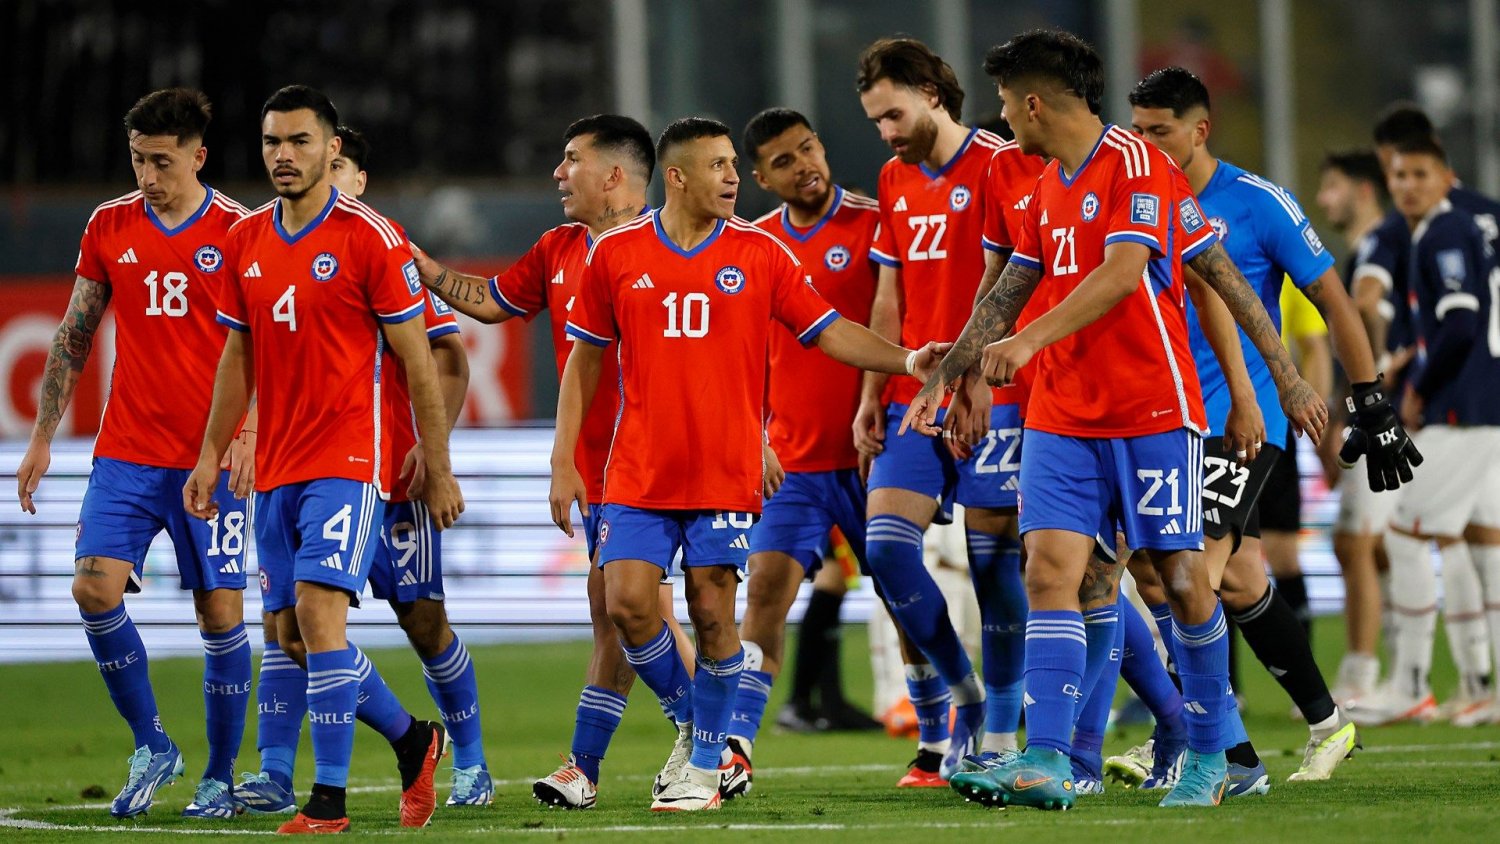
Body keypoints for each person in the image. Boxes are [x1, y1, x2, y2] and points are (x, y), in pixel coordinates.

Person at [906, 29, 1328, 810]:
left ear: (1034, 102)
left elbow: (1128, 272)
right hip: (1064, 417)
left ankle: (1214, 755)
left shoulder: (1135, 164)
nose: (1004, 118)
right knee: (1050, 572)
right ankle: (1048, 757)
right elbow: (1008, 289)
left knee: (1182, 580)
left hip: (1152, 412)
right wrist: (950, 369)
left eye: (1006, 103)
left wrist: (1274, 380)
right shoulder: (1043, 184)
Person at [549, 117, 948, 811]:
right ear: (677, 177)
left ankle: (705, 766)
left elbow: (830, 331)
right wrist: (563, 459)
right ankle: (692, 722)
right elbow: (584, 362)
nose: (733, 177)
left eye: (735, 164)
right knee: (627, 605)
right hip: (638, 470)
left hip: (726, 471)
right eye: (718, 166)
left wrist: (908, 359)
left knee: (713, 616)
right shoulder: (614, 253)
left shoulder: (760, 252)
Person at [1123, 66, 1413, 787]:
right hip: (1163, 419)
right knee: (1238, 578)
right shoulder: (1135, 200)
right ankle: (1325, 723)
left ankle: (1202, 746)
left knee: (1190, 575)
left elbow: (1334, 299)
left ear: (1200, 130)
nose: (1146, 145)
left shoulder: (1257, 202)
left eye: (1160, 132)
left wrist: (1369, 400)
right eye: (1137, 131)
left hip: (1241, 422)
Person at [184, 85, 462, 833]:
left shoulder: (371, 238)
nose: (284, 155)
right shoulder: (245, 239)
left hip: (347, 458)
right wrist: (211, 453)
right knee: (288, 636)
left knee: (316, 614)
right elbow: (238, 355)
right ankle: (413, 740)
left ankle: (328, 802)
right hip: (274, 466)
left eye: (300, 141)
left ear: (332, 148)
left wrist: (437, 465)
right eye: (272, 141)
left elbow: (420, 360)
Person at [410, 114, 700, 810]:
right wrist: (424, 269)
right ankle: (671, 748)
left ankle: (695, 742)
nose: (558, 173)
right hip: (598, 468)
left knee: (643, 610)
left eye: (572, 159)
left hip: (663, 463)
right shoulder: (558, 248)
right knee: (621, 615)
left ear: (615, 174)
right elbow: (490, 303)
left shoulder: (673, 244)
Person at [14, 87, 252, 821]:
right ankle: (152, 744)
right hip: (127, 450)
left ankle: (218, 777)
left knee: (220, 612)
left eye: (161, 162)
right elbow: (74, 332)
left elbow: (270, 345)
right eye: (138, 160)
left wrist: (247, 433)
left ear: (197, 156)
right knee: (93, 589)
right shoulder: (108, 224)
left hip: (212, 455)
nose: (148, 176)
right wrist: (43, 435)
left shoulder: (240, 230)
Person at [235, 125, 487, 813]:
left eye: (338, 163)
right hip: (304, 469)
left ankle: (469, 760)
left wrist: (434, 450)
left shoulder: (381, 248)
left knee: (423, 623)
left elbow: (448, 359)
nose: (324, 172)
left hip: (392, 476)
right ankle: (281, 773)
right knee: (290, 628)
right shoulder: (274, 247)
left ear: (357, 178)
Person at [853, 37, 1041, 783]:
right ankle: (966, 697)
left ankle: (999, 729)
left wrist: (978, 379)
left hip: (994, 394)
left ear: (931, 93)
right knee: (885, 549)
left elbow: (1015, 282)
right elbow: (890, 292)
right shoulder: (893, 178)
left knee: (995, 569)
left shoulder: (999, 162)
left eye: (894, 114)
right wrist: (872, 394)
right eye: (875, 121)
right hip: (916, 394)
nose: (887, 133)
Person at [724, 107, 888, 788]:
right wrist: (754, 435)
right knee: (764, 590)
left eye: (808, 148)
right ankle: (735, 745)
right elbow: (745, 355)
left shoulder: (876, 223)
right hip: (791, 462)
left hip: (873, 454)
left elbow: (900, 319)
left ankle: (946, 737)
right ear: (762, 178)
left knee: (904, 596)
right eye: (784, 161)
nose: (805, 166)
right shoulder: (756, 245)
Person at [1350, 137, 1500, 728]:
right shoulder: (1459, 231)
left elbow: (1460, 324)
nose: (1408, 185)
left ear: (1445, 177)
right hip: (1485, 405)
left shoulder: (1444, 232)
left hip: (1462, 412)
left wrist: (1417, 388)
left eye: (1420, 174)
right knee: (1482, 542)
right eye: (1400, 175)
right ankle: (1482, 685)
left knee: (1406, 533)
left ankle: (1410, 684)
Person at [1315, 150, 1396, 704]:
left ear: (1363, 190)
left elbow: (1366, 308)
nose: (1324, 199)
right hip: (1407, 407)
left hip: (1387, 414)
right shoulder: (1391, 242)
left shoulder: (1376, 246)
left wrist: (1364, 399)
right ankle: (1406, 668)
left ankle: (1364, 675)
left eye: (1333, 187)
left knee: (1354, 540)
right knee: (1387, 543)